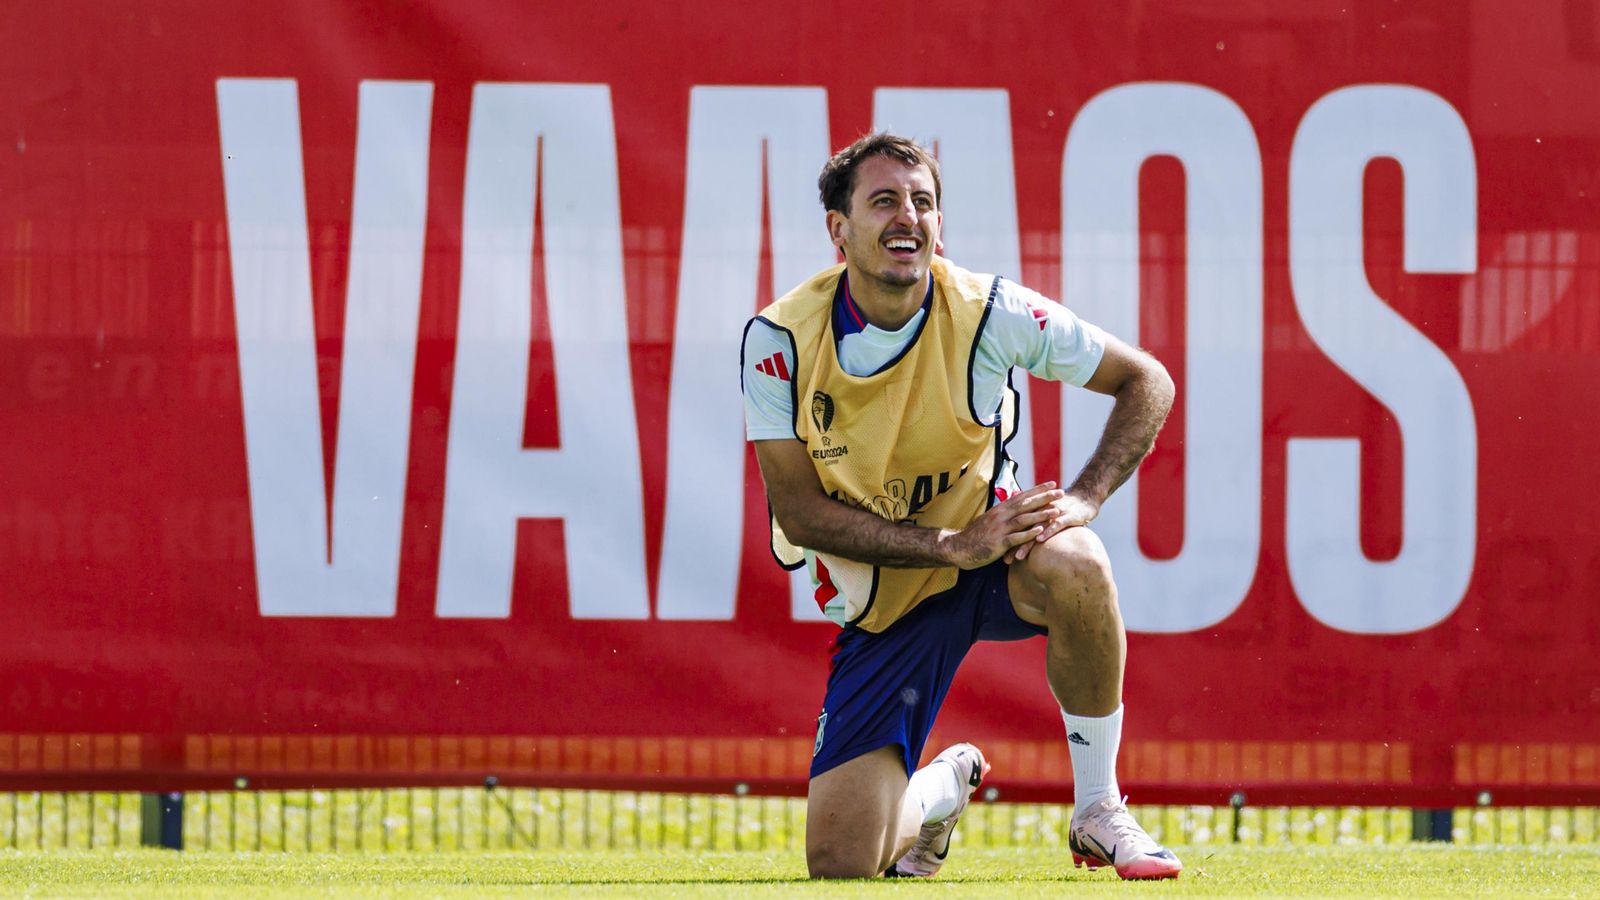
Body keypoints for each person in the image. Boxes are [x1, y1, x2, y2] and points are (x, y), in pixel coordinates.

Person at [740, 133, 1181, 881]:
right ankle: (943, 789)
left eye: (922, 202)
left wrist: (1084, 497)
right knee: (841, 864)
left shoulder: (992, 309)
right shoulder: (778, 340)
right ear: (839, 229)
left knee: (1078, 560)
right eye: (884, 201)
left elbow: (1147, 381)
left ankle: (1098, 808)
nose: (906, 217)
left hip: (995, 556)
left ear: (939, 226)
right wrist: (948, 545)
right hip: (889, 596)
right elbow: (801, 514)